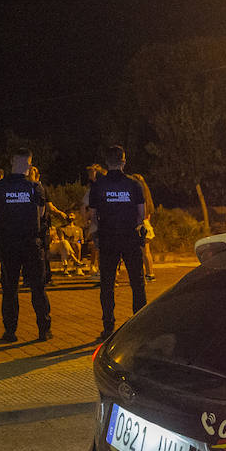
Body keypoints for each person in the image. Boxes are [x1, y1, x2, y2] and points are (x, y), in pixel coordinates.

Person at [85, 145, 148, 340]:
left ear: (106, 162)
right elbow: (141, 215)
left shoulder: (98, 186)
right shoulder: (134, 185)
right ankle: (140, 326)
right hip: (130, 239)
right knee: (137, 283)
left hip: (108, 239)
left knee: (107, 284)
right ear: (123, 161)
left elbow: (93, 217)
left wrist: (95, 237)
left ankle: (108, 326)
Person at [0, 152, 52, 342]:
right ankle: (43, 330)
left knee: (9, 289)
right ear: (29, 163)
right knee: (38, 288)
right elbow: (41, 216)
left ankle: (10, 331)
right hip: (31, 243)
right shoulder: (35, 187)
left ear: (12, 162)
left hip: (8, 243)